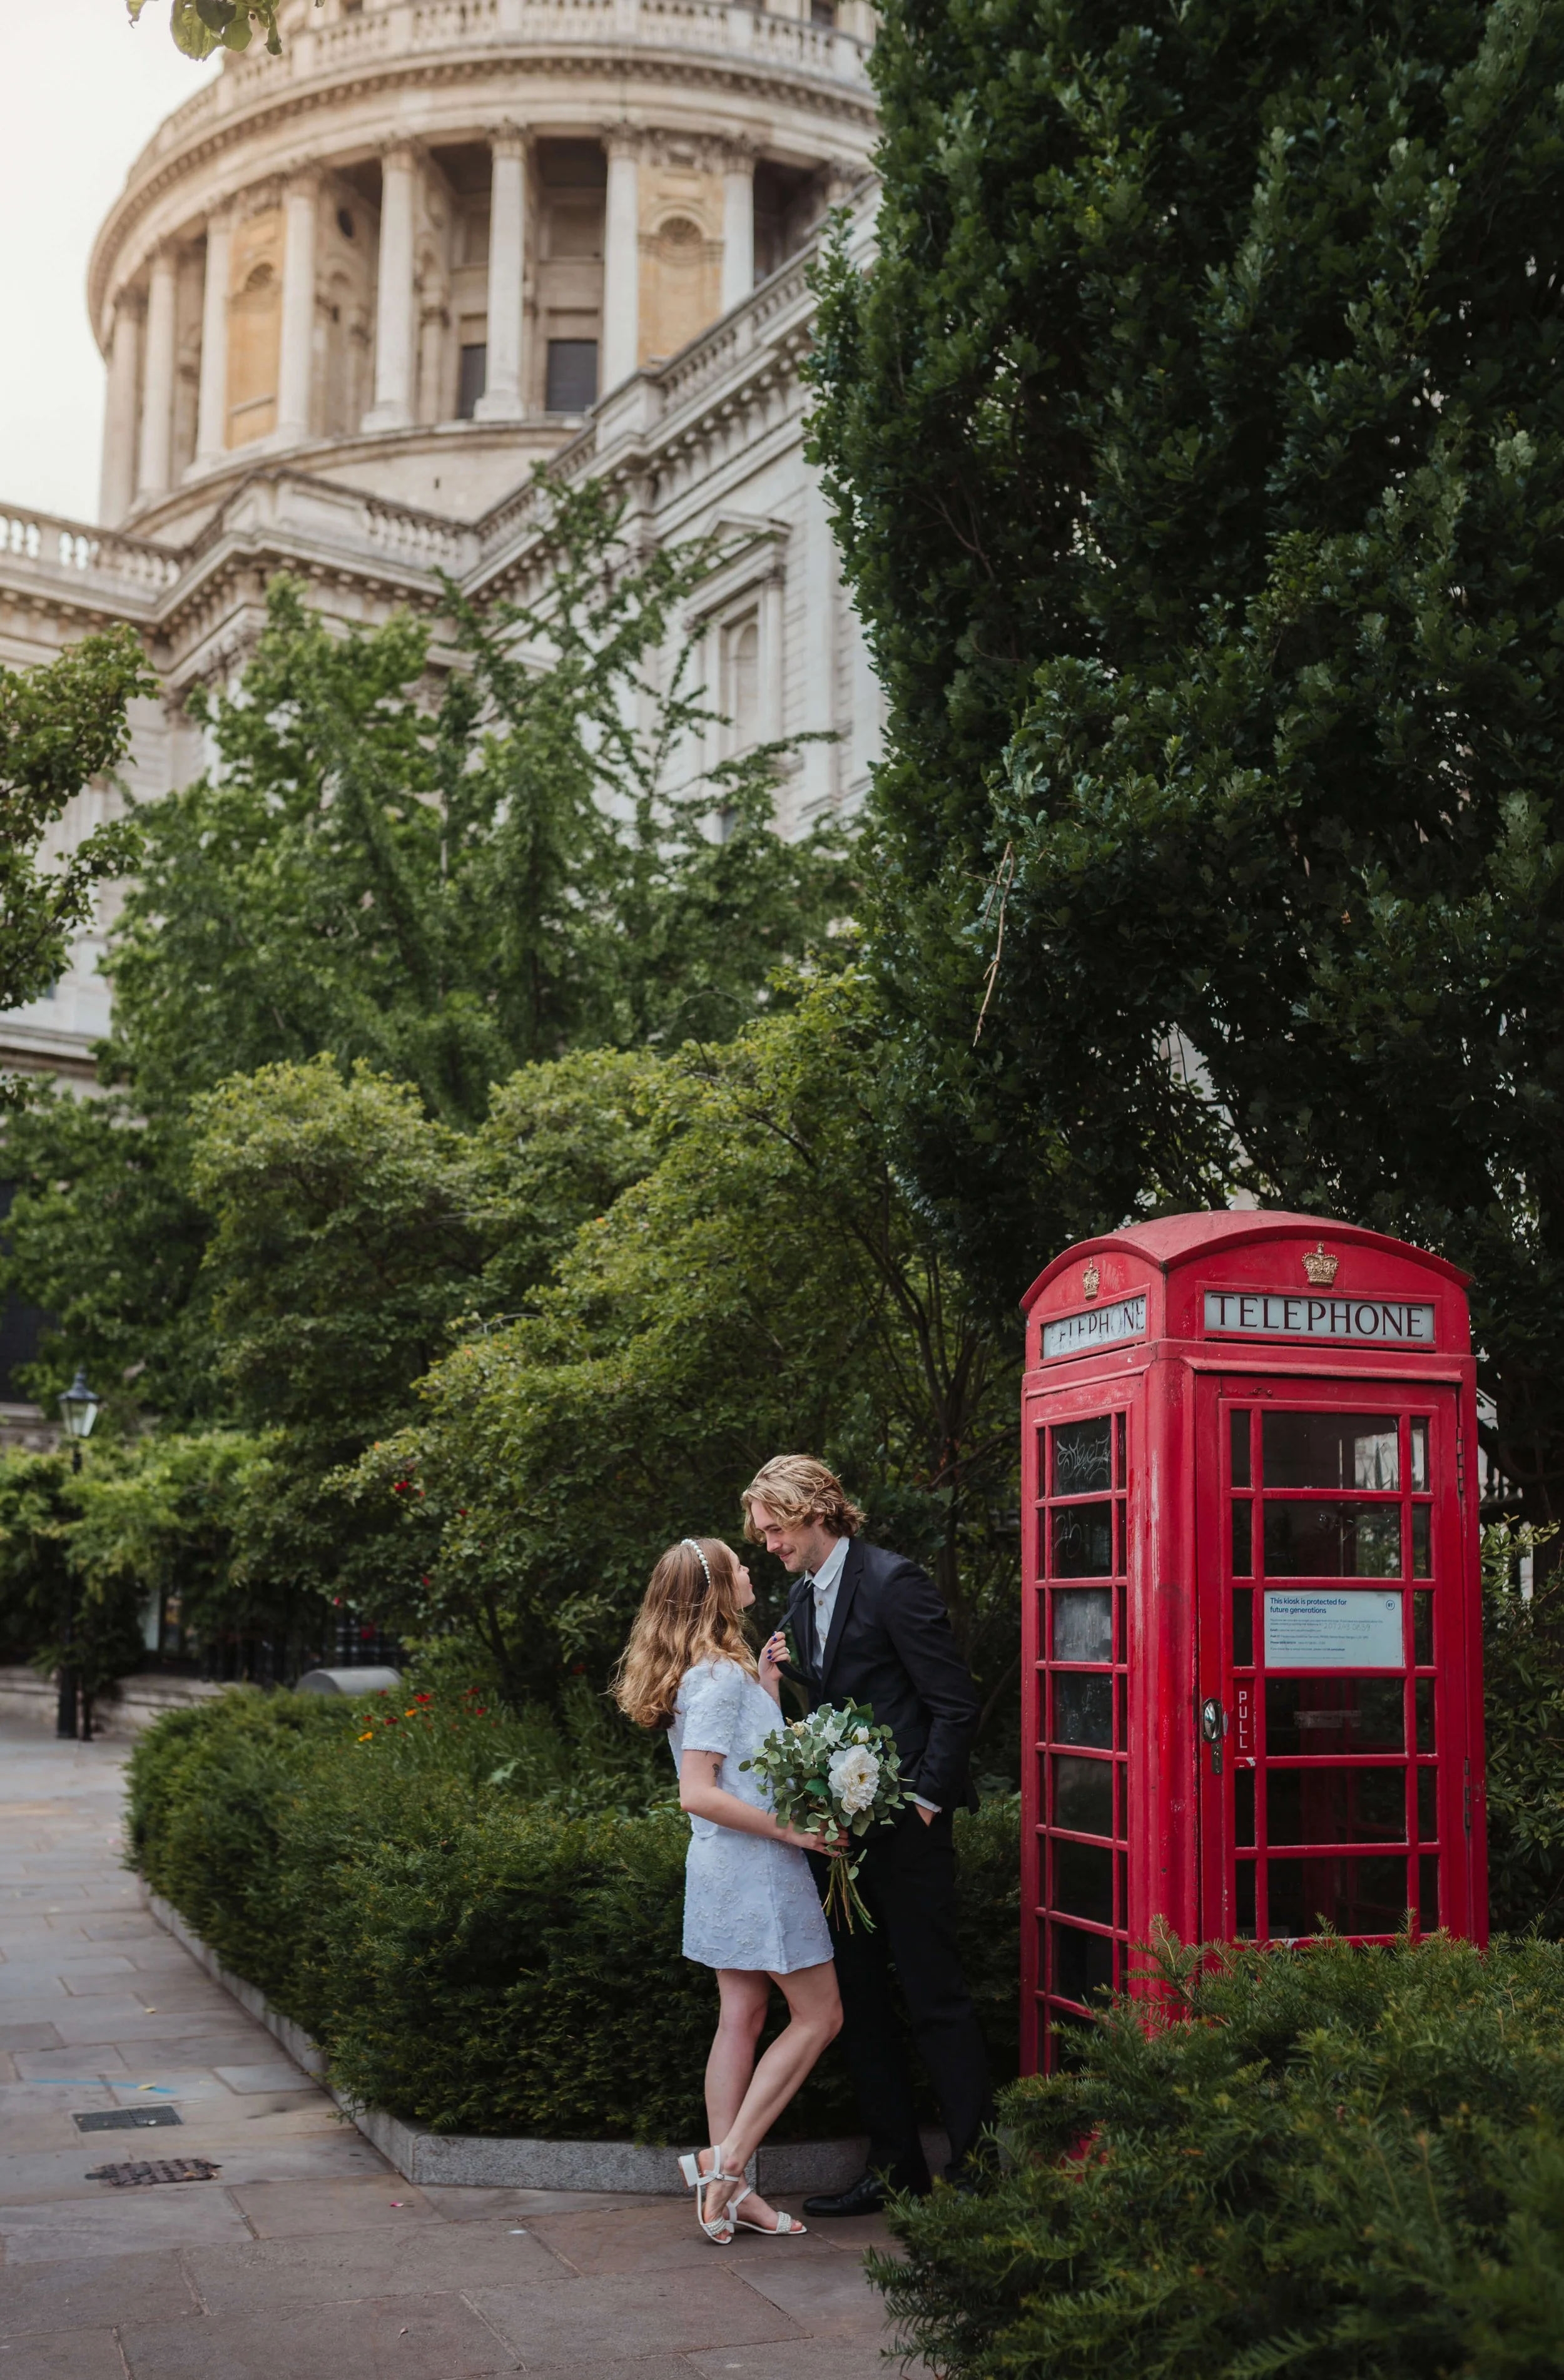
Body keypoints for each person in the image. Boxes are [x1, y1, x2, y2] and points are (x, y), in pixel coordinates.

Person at [742, 1454, 994, 2214]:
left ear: (815, 1511)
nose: (768, 1543)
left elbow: (953, 1704)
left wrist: (922, 1805)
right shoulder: (798, 1599)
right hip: (839, 1841)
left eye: (774, 1527)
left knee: (934, 1998)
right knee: (859, 2002)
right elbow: (824, 1712)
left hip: (907, 1835)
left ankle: (980, 2168)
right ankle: (894, 2171)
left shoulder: (892, 1583)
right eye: (761, 1534)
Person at [612, 1533, 844, 2244]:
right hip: (753, 1870)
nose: (752, 1569)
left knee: (741, 2016)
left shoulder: (722, 1673)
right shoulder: (712, 1677)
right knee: (820, 2017)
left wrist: (768, 1691)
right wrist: (792, 1832)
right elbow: (697, 1793)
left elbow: (741, 1761)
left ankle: (733, 2192)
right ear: (717, 1589)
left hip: (726, 1867)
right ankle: (726, 2162)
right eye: (740, 1566)